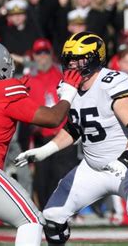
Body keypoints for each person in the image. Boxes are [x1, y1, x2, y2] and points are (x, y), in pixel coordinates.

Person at [14, 32, 128, 245]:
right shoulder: (68, 87)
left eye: (79, 58)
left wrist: (125, 159)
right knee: (52, 217)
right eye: (70, 59)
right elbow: (75, 128)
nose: (73, 64)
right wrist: (44, 151)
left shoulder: (112, 81)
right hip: (91, 169)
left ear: (95, 58)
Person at [0, 41, 82, 245]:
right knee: (32, 221)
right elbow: (52, 118)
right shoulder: (6, 89)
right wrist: (69, 91)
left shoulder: (1, 91)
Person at [25, 38, 80, 209]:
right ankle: (45, 214)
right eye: (38, 53)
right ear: (33, 56)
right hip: (42, 137)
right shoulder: (28, 79)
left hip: (64, 136)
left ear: (51, 54)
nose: (42, 57)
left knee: (64, 178)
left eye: (45, 53)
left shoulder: (62, 74)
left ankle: (67, 214)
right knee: (42, 181)